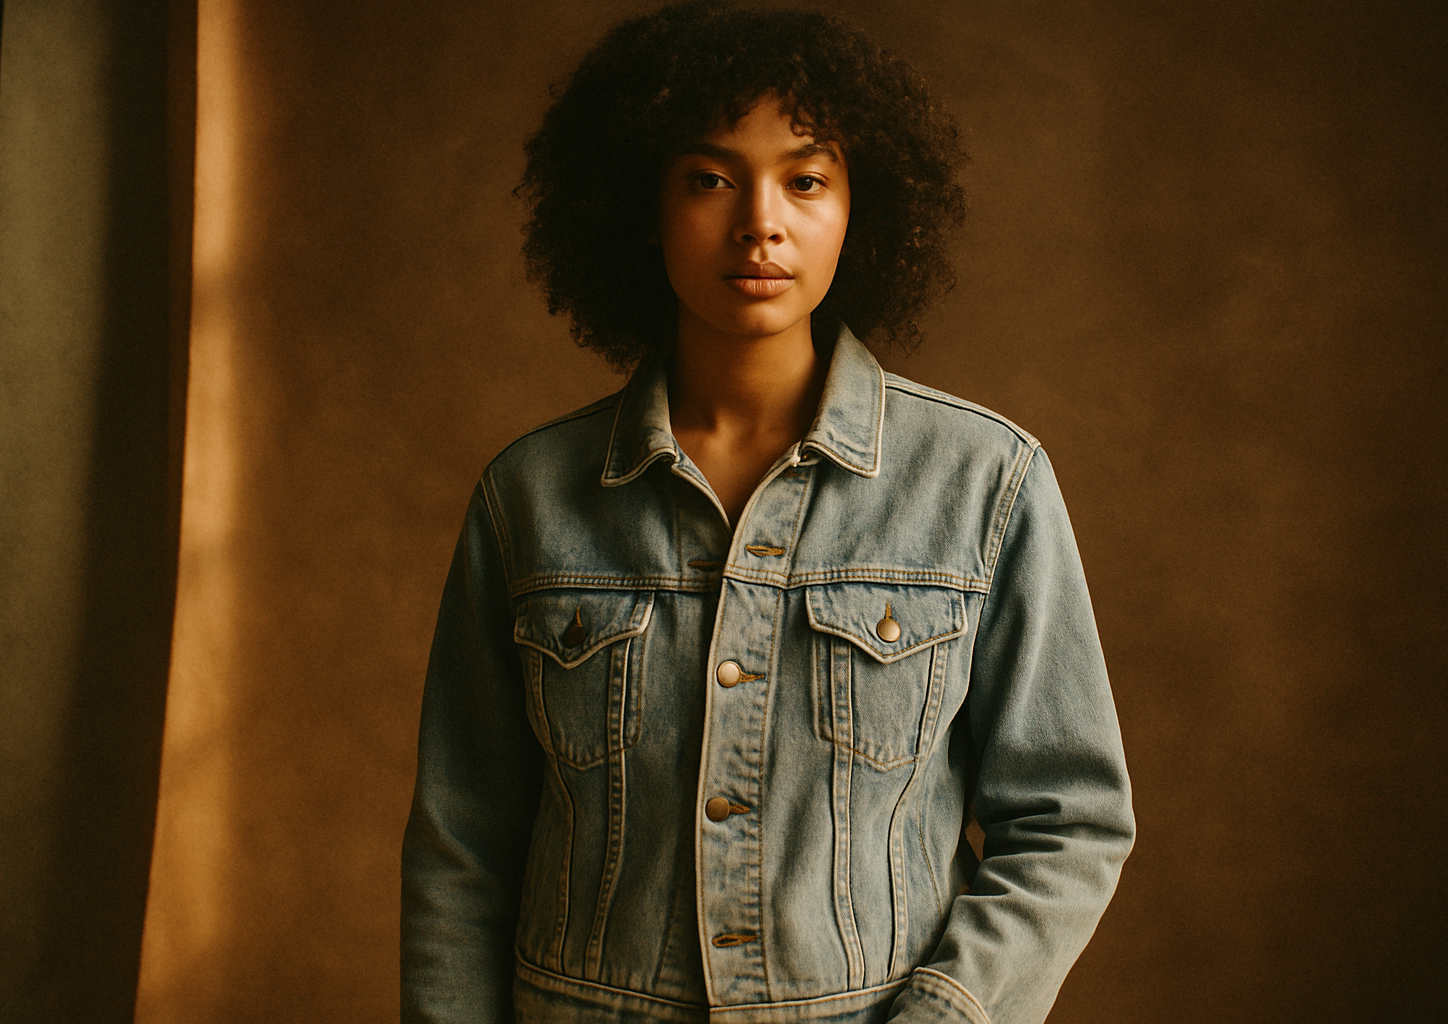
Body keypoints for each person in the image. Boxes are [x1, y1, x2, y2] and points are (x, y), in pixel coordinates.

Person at [400, 3, 1134, 1022]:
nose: (760, 221)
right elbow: (462, 846)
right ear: (638, 205)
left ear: (858, 206)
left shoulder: (986, 482)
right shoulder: (527, 497)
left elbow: (1070, 819)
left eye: (806, 178)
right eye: (709, 179)